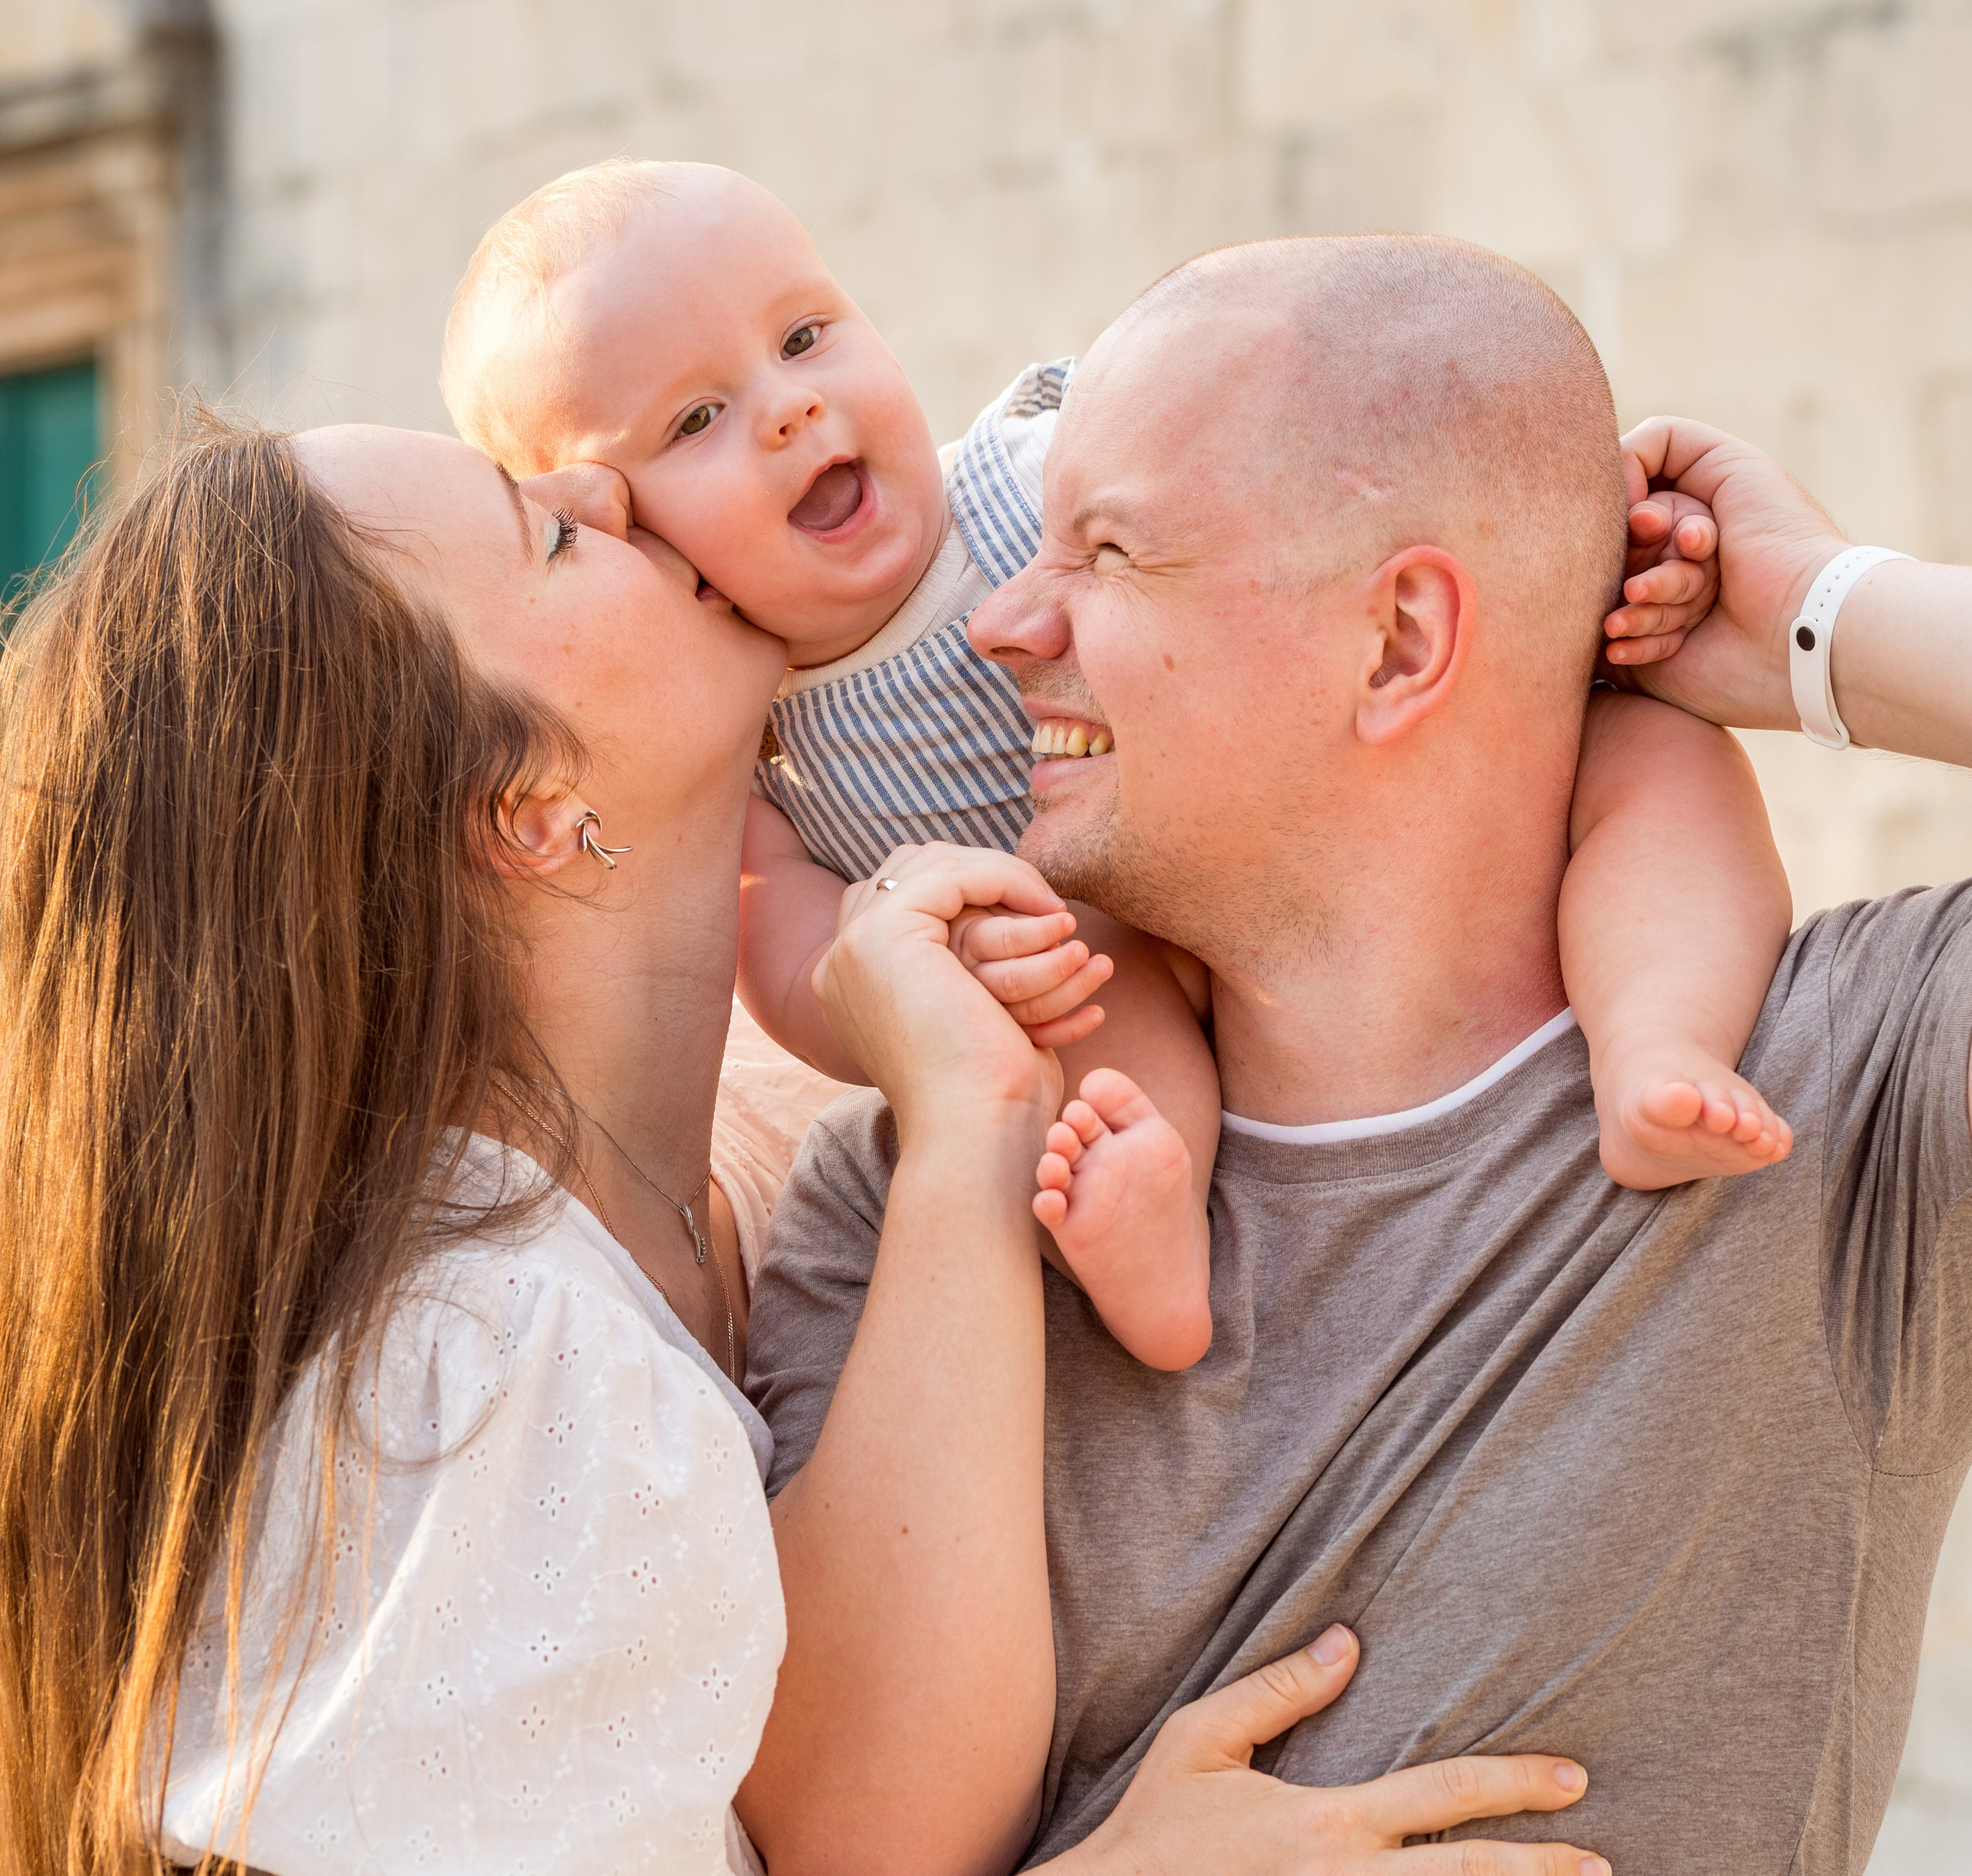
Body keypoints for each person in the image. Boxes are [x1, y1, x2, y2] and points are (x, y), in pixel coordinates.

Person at [0, 412, 1609, 1876]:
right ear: (525, 809)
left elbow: (860, 1820)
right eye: (542, 534)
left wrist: (963, 1115)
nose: (603, 485)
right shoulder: (488, 1343)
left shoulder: (690, 1211)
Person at [746, 233, 1972, 1876]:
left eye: (1106, 553)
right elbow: (860, 1861)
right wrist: (962, 1154)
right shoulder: (926, 1178)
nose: (1006, 624)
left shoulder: (1833, 1098)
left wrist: (1815, 620)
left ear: (1403, 636)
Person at [440, 159, 1794, 1375]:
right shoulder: (741, 713)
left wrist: (1627, 566)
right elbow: (793, 954)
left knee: (1658, 756)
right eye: (695, 421)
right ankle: (1156, 1228)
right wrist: (916, 980)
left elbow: (1362, 500)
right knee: (1090, 1015)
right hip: (1082, 938)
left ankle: (1659, 1042)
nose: (790, 408)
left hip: (1319, 848)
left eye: (804, 337)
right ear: (618, 527)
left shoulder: (1038, 472)